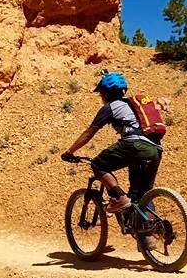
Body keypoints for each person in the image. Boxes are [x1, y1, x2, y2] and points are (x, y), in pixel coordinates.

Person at [61, 71, 162, 213]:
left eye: (101, 94)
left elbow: (89, 133)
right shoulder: (133, 105)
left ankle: (119, 198)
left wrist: (69, 152)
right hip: (156, 149)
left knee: (97, 164)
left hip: (134, 145)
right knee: (141, 194)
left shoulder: (110, 107)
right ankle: (151, 228)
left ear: (106, 94)